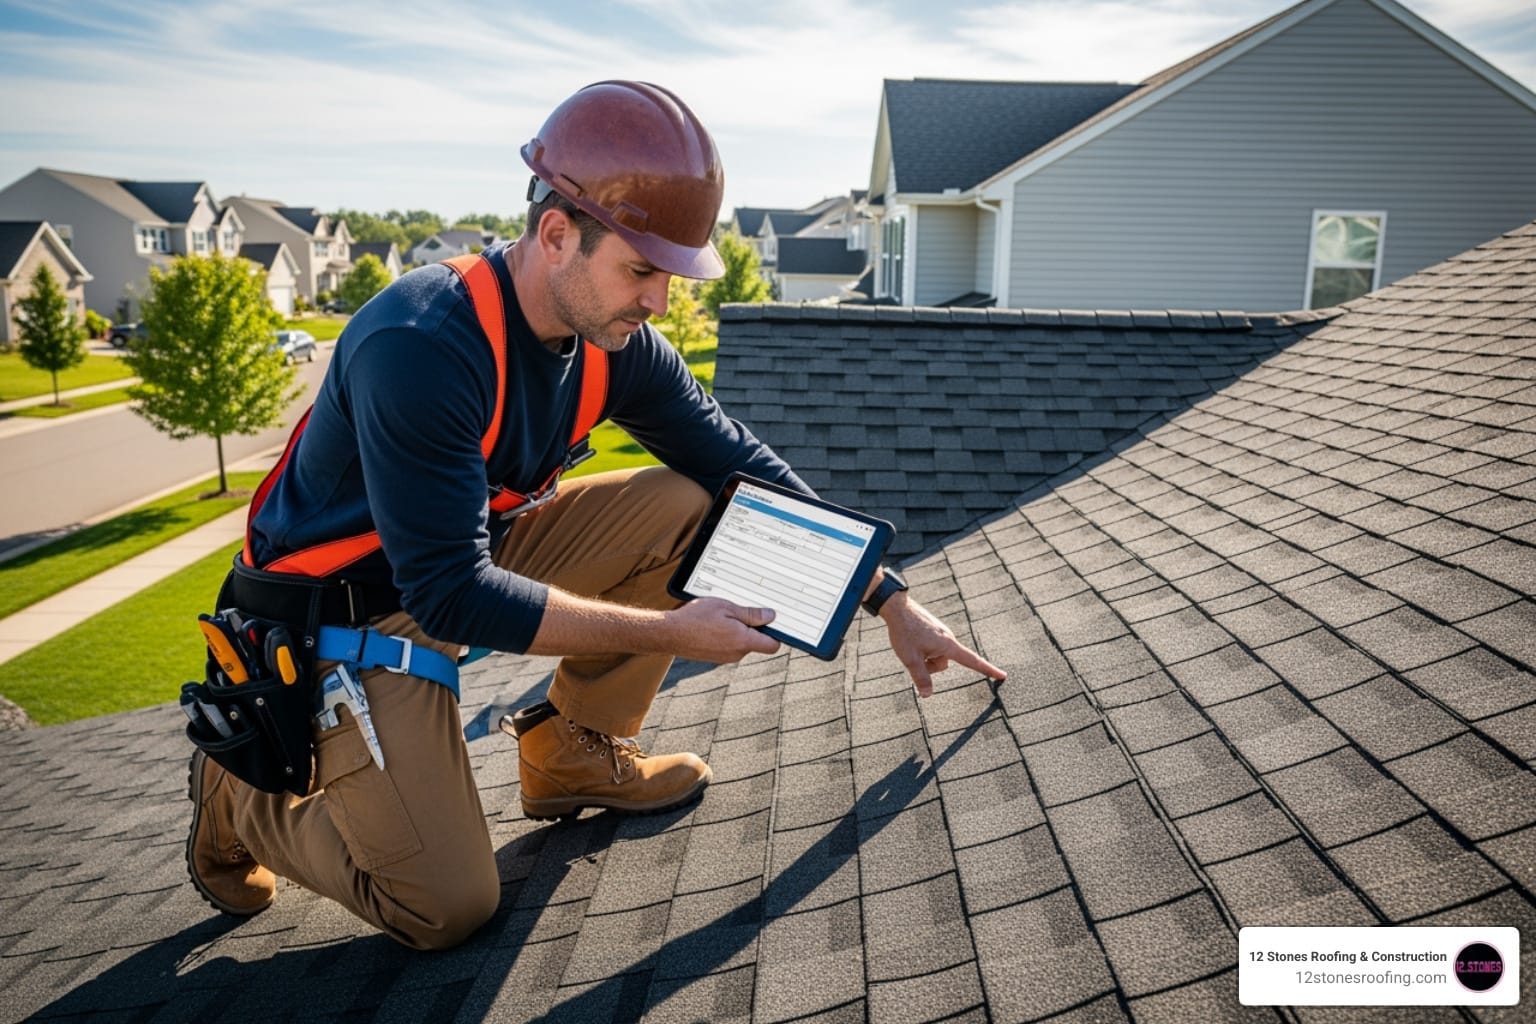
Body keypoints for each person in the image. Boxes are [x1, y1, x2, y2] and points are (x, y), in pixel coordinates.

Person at [185, 80, 1005, 951]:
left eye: (670, 274)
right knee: (444, 907)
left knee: (690, 503)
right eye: (642, 270)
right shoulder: (421, 344)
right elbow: (449, 597)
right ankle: (241, 795)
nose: (659, 301)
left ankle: (574, 747)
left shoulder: (613, 341)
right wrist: (675, 634)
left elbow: (737, 464)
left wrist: (889, 598)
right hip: (342, 615)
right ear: (555, 235)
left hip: (467, 558)